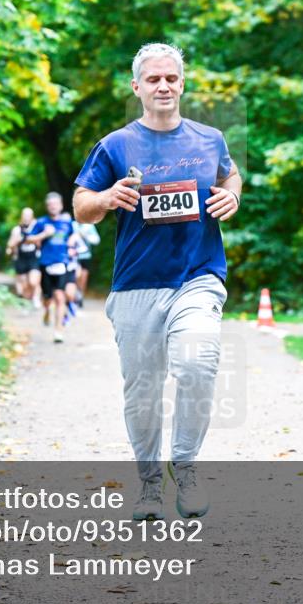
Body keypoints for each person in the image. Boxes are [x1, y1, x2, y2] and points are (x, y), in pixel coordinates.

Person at [72, 42, 241, 520]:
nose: (163, 86)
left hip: (197, 277)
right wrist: (106, 197)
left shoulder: (210, 139)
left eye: (171, 78)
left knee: (197, 363)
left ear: (181, 84)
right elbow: (81, 207)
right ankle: (149, 484)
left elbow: (230, 176)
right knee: (142, 393)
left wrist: (232, 197)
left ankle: (184, 467)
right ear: (137, 87)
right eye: (153, 79)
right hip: (136, 285)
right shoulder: (115, 145)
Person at [24, 193, 76, 343]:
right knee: (47, 299)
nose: (53, 206)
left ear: (61, 205)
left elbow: (73, 235)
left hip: (62, 263)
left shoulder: (67, 222)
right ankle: (47, 310)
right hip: (45, 264)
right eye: (50, 204)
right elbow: (27, 240)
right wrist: (44, 235)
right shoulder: (41, 222)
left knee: (60, 297)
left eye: (56, 204)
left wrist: (71, 245)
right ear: (47, 207)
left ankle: (58, 331)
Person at [6, 208, 41, 307]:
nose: (26, 218)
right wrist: (16, 241)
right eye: (24, 216)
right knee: (24, 285)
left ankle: (36, 297)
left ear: (32, 217)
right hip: (21, 258)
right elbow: (10, 245)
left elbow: (42, 243)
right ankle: (27, 301)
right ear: (21, 217)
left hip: (33, 258)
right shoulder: (17, 230)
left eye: (28, 216)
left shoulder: (37, 229)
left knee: (34, 281)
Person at [72, 220, 100, 307]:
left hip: (86, 256)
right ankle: (75, 295)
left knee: (83, 278)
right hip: (74, 257)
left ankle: (80, 296)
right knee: (76, 275)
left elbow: (96, 240)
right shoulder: (72, 225)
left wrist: (85, 235)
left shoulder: (89, 226)